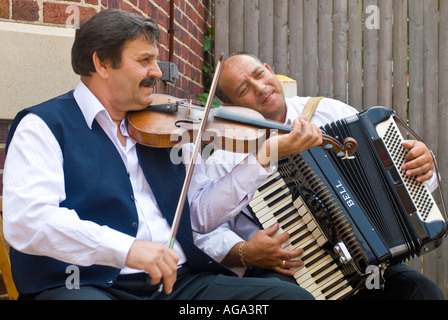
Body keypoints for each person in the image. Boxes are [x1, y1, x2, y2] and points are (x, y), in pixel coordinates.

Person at [2, 10, 324, 300]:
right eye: (144, 61)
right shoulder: (44, 126)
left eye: (156, 60)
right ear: (101, 63)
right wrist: (128, 250)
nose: (157, 72)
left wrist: (262, 157)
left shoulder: (161, 128)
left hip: (177, 287)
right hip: (87, 285)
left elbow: (196, 217)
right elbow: (28, 221)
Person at [194, 52, 444, 300]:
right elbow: (201, 229)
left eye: (260, 74)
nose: (260, 88)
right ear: (230, 107)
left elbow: (393, 178)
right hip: (288, 273)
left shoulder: (327, 111)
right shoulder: (225, 157)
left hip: (367, 262)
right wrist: (244, 252)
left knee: (421, 291)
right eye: (243, 89)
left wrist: (421, 167)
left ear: (270, 70)